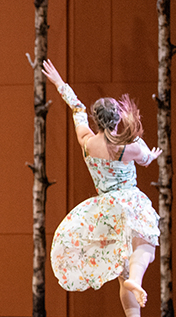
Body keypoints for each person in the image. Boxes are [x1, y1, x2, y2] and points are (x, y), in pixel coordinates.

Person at [43, 60, 161, 317]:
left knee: (122, 272)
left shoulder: (86, 143)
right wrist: (150, 155)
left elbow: (77, 109)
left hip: (106, 211)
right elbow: (145, 158)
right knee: (146, 247)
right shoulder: (127, 147)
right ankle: (137, 282)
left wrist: (59, 83)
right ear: (118, 118)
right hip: (130, 203)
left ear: (96, 120)